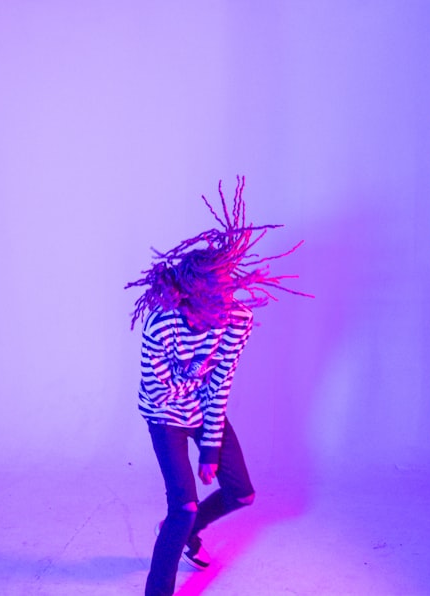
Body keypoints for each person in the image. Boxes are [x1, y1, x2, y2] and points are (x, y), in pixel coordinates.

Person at [126, 177, 308, 596]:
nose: (222, 310)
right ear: (191, 296)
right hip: (164, 416)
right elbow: (159, 393)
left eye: (226, 297)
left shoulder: (238, 319)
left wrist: (210, 448)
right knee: (183, 507)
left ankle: (189, 534)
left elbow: (220, 380)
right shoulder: (161, 325)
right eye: (213, 301)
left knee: (241, 495)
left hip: (203, 410)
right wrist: (193, 383)